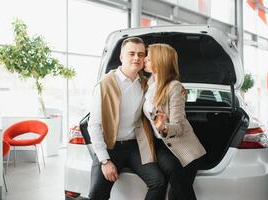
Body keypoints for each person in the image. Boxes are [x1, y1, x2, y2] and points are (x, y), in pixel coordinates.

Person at [88, 37, 166, 200]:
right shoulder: (105, 84)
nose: (137, 58)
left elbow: (163, 88)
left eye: (141, 54)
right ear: (122, 57)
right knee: (96, 195)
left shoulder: (146, 84)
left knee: (158, 182)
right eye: (131, 54)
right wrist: (105, 161)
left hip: (134, 147)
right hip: (109, 147)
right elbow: (93, 126)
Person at [143, 43, 207, 200]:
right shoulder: (148, 84)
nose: (144, 59)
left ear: (160, 62)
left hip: (182, 146)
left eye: (149, 58)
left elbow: (178, 126)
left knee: (178, 188)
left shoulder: (174, 87)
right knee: (178, 187)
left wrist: (163, 127)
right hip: (160, 146)